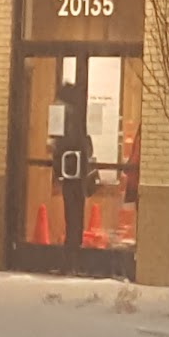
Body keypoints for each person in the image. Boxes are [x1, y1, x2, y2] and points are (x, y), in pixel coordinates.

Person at [51, 85, 96, 261]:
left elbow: (65, 143)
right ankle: (75, 245)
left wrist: (57, 151)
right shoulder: (78, 118)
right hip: (77, 170)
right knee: (76, 207)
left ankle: (71, 248)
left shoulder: (66, 116)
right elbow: (86, 146)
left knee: (71, 208)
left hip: (70, 170)